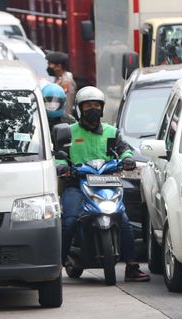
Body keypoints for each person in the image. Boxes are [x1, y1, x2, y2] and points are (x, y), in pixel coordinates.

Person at [57, 86, 149, 282]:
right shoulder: (69, 132)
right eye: (88, 105)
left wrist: (127, 159)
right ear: (80, 108)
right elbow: (59, 156)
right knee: (70, 221)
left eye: (96, 105)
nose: (92, 109)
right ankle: (56, 266)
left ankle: (131, 266)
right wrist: (62, 167)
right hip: (77, 184)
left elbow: (124, 149)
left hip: (106, 183)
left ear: (102, 108)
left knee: (123, 220)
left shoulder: (111, 131)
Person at [45, 51, 77, 115]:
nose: (48, 67)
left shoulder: (66, 82)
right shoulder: (58, 79)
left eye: (50, 64)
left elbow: (67, 104)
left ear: (58, 66)